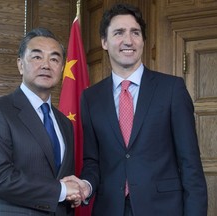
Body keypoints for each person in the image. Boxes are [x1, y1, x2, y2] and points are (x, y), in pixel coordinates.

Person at [63, 3, 208, 216]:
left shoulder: (172, 89)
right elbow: (92, 161)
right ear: (104, 42)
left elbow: (190, 164)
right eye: (119, 33)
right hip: (109, 209)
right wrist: (87, 185)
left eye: (135, 33)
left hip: (164, 209)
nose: (128, 40)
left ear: (142, 40)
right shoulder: (90, 98)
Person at [0, 27, 83, 216]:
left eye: (55, 59)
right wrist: (63, 191)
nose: (46, 65)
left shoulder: (65, 123)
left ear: (61, 68)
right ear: (20, 65)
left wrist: (74, 192)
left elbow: (61, 177)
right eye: (37, 57)